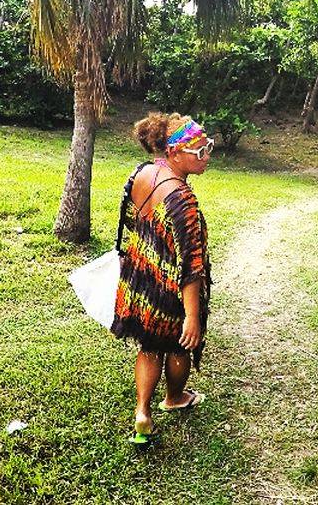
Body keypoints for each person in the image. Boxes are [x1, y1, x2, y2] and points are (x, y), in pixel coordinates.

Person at [111, 112, 213, 444]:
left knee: (149, 346)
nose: (207, 156)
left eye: (208, 147)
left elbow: (129, 222)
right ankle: (175, 397)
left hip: (140, 280)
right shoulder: (182, 198)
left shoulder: (142, 173)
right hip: (170, 291)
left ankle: (142, 411)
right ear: (174, 152)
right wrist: (192, 316)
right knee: (180, 346)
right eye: (200, 151)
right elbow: (191, 267)